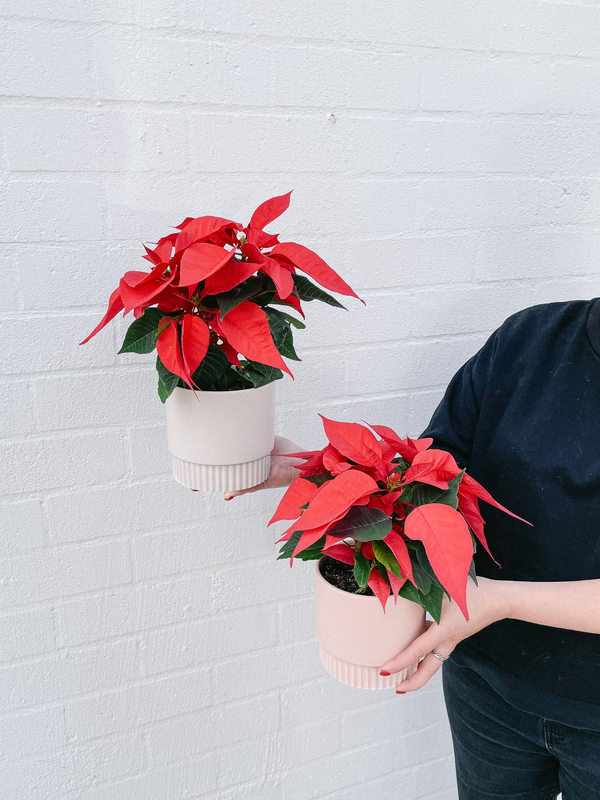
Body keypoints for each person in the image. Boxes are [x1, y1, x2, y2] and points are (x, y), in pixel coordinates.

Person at [225, 298, 600, 800]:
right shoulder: (529, 339)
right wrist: (304, 470)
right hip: (487, 689)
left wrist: (499, 599)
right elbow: (424, 477)